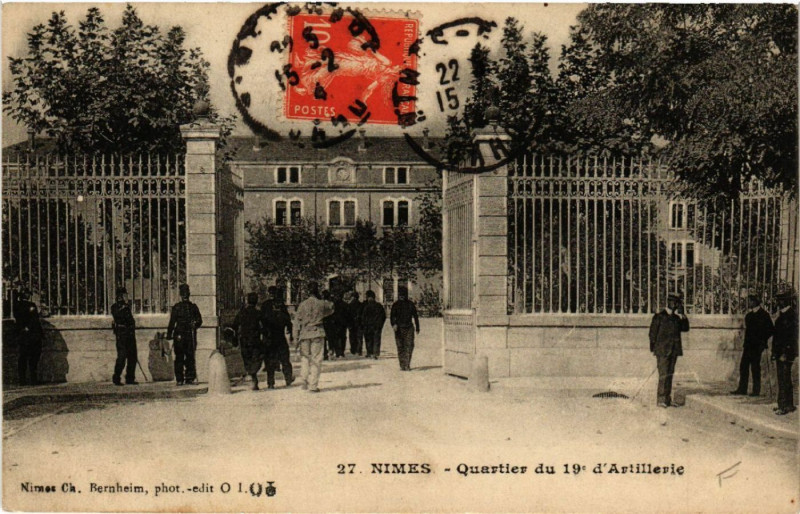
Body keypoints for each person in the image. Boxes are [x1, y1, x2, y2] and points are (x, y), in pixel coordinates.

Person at [648, 293, 690, 408]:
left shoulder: (676, 318)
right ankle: (661, 399)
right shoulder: (659, 316)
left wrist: (683, 315)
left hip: (674, 350)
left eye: (677, 303)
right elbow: (652, 334)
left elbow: (685, 328)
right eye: (675, 303)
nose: (676, 305)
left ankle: (667, 399)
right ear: (670, 303)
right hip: (662, 351)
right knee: (663, 375)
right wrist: (654, 349)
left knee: (670, 374)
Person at [730, 294, 774, 397]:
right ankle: (742, 389)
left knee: (755, 368)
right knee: (743, 366)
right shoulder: (748, 316)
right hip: (748, 345)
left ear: (755, 302)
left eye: (749, 301)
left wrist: (763, 341)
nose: (748, 303)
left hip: (757, 346)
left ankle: (756, 390)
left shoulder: (764, 315)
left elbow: (771, 330)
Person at [293, 282, 334, 392]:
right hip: (317, 332)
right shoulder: (322, 304)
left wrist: (295, 337)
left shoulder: (302, 305)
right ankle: (313, 385)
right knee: (316, 359)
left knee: (305, 358)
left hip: (305, 333)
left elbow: (296, 322)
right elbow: (331, 308)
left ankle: (304, 380)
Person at [167, 283, 203, 386]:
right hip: (181, 336)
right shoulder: (179, 307)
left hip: (186, 335)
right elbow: (172, 323)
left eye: (186, 294)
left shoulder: (192, 307)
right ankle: (182, 378)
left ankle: (187, 378)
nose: (185, 296)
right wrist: (169, 335)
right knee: (182, 357)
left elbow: (199, 320)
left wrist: (195, 323)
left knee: (188, 357)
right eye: (184, 294)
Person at [230, 292, 264, 390]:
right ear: (256, 301)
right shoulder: (258, 313)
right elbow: (264, 327)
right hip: (255, 340)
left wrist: (235, 339)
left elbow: (234, 326)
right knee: (257, 358)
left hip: (244, 340)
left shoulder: (242, 313)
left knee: (247, 359)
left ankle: (251, 376)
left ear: (247, 301)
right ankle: (253, 376)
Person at [772, 291, 797, 415]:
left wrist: (785, 353)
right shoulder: (783, 314)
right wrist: (774, 352)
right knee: (783, 378)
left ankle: (784, 406)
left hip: (785, 352)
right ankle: (787, 404)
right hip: (780, 352)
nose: (778, 302)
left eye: (780, 300)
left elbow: (790, 337)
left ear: (786, 301)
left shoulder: (790, 315)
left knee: (784, 378)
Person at [263, 295, 295, 389]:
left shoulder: (268, 316)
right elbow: (289, 326)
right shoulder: (283, 316)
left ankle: (271, 383)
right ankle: (288, 379)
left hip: (270, 340)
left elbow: (263, 327)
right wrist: (291, 336)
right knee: (285, 360)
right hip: (281, 339)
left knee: (270, 361)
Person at [15, 288, 43, 386]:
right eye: (27, 294)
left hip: (23, 335)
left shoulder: (16, 305)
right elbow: (34, 320)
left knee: (23, 358)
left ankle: (22, 379)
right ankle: (32, 379)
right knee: (33, 358)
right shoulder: (31, 305)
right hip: (32, 336)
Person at [110, 287, 138, 386]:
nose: (126, 296)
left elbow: (131, 321)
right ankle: (116, 377)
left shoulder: (126, 307)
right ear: (120, 296)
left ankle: (130, 378)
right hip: (121, 334)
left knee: (132, 357)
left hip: (130, 334)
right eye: (124, 295)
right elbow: (119, 317)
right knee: (122, 356)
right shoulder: (115, 307)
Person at [390, 287, 420, 371]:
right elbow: (392, 316)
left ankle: (407, 364)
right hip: (399, 328)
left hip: (409, 328)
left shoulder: (410, 304)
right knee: (400, 347)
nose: (402, 296)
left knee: (409, 346)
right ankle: (402, 364)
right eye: (400, 295)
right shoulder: (395, 305)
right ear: (399, 295)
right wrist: (394, 324)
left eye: (403, 295)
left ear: (406, 295)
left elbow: (415, 316)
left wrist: (417, 327)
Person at [361, 290, 386, 359]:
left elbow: (363, 317)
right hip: (376, 326)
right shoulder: (379, 306)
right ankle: (375, 353)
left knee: (369, 339)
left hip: (369, 326)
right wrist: (380, 325)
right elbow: (383, 316)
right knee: (376, 339)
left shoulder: (366, 307)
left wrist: (364, 325)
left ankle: (370, 353)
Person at [346, 291, 364, 355]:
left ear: (353, 297)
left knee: (352, 336)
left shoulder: (349, 305)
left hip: (352, 323)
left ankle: (353, 350)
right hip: (359, 323)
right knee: (359, 337)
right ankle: (359, 350)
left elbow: (347, 315)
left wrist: (348, 323)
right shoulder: (361, 305)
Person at [321, 290, 335, 361]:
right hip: (330, 322)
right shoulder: (331, 303)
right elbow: (333, 312)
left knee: (323, 338)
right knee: (330, 338)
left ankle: (324, 354)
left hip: (323, 321)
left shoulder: (321, 304)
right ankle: (331, 353)